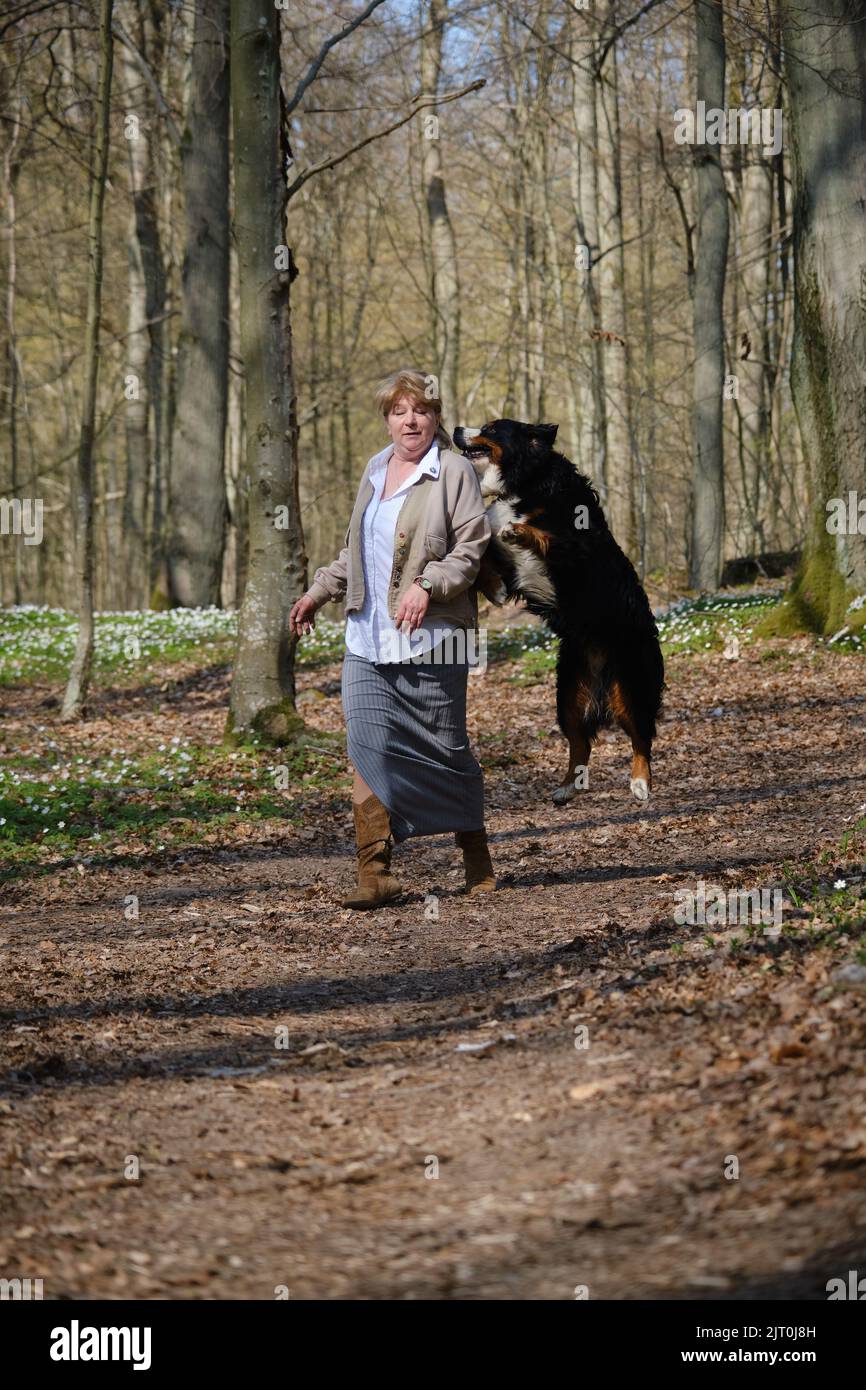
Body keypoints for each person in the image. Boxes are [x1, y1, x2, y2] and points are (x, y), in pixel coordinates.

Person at [289, 369, 496, 909]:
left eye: (421, 410)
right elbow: (352, 554)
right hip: (367, 638)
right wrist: (317, 594)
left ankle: (475, 854)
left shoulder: (452, 471)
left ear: (435, 418)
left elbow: (471, 548)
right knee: (366, 747)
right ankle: (374, 872)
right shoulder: (374, 469)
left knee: (447, 748)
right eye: (400, 411)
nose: (411, 420)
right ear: (387, 420)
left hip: (435, 639)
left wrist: (427, 583)